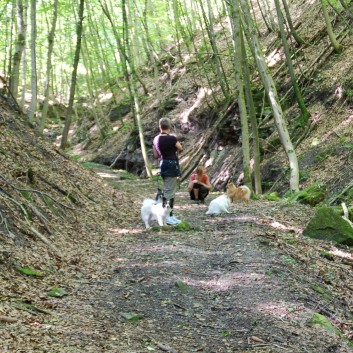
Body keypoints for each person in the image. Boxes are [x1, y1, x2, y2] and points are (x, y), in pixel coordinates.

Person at [153, 118, 183, 225]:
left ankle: (170, 214)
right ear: (169, 127)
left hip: (163, 164)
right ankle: (167, 216)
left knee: (168, 190)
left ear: (160, 127)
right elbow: (180, 148)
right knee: (169, 191)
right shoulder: (172, 138)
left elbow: (156, 155)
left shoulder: (156, 139)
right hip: (172, 165)